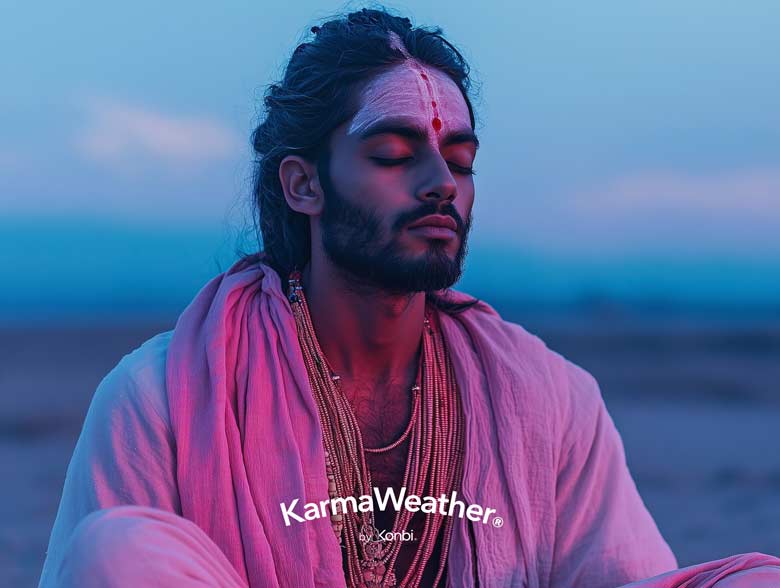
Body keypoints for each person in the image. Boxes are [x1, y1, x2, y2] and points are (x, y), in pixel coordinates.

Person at [38, 7, 780, 588]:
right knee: (116, 548)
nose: (438, 184)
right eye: (393, 155)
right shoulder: (161, 395)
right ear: (303, 184)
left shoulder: (548, 395)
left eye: (459, 161)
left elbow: (628, 577)